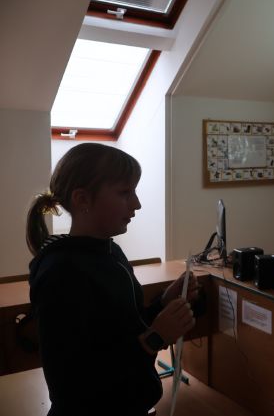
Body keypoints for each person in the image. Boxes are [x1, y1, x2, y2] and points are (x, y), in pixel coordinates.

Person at [26, 143, 199, 416]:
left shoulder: (110, 251)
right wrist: (154, 338)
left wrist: (163, 303)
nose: (137, 204)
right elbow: (70, 384)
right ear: (82, 199)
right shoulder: (60, 273)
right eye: (124, 193)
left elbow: (123, 326)